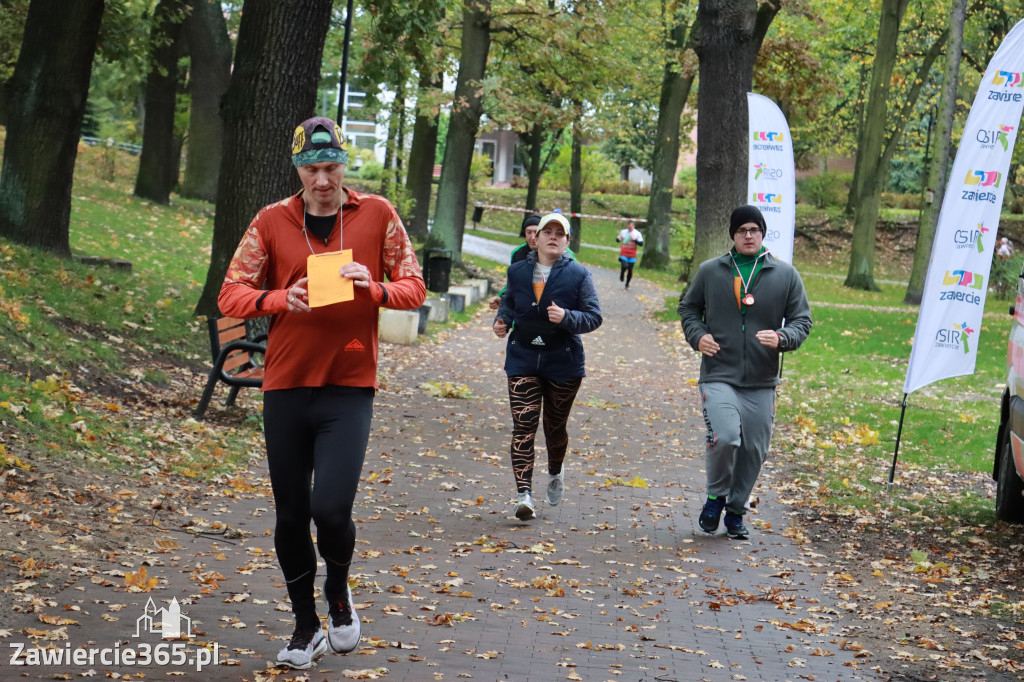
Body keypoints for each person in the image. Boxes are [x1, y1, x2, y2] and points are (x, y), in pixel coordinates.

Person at [218, 116, 425, 668]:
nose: (323, 180)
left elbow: (416, 285)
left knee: (329, 509)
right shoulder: (273, 220)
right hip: (286, 385)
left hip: (349, 386)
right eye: (312, 169)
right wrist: (281, 299)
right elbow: (231, 294)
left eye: (331, 167)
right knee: (289, 516)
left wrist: (375, 287)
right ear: (299, 171)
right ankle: (304, 626)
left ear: (344, 167)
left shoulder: (376, 213)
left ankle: (338, 596)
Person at [677, 205, 812, 540]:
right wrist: (698, 336)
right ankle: (715, 497)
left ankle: (736, 511)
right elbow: (688, 307)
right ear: (733, 236)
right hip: (718, 373)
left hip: (762, 380)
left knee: (754, 449)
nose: (748, 236)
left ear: (762, 233)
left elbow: (802, 321)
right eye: (741, 231)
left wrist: (783, 338)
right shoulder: (712, 271)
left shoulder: (785, 274)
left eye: (754, 229)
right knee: (724, 437)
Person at [492, 213, 602, 520]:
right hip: (523, 358)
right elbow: (509, 305)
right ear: (535, 238)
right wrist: (501, 321)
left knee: (555, 428)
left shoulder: (579, 274)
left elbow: (594, 316)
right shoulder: (517, 272)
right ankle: (523, 494)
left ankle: (555, 470)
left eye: (559, 233)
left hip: (562, 361)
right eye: (547, 232)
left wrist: (567, 317)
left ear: (567, 241)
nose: (553, 237)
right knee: (524, 426)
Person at [616, 220, 644, 289]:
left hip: (632, 254)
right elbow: (617, 239)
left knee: (630, 269)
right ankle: (622, 273)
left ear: (633, 226)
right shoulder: (623, 232)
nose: (629, 229)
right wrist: (618, 239)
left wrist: (634, 240)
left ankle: (627, 283)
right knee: (624, 266)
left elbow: (641, 244)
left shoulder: (637, 233)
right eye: (628, 227)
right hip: (624, 253)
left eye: (630, 228)